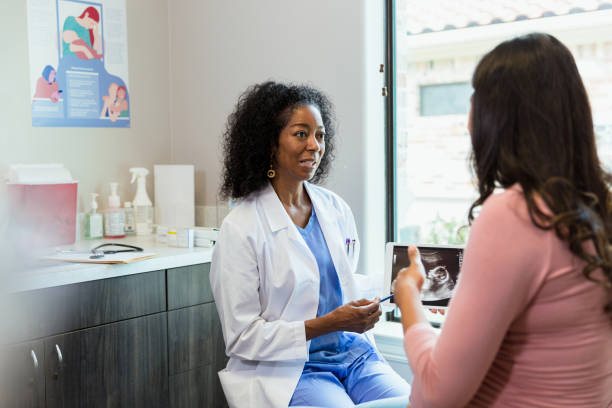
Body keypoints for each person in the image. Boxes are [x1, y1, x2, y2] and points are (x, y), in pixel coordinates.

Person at [392, 33, 612, 407]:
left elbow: (436, 394)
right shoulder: (596, 209)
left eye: (474, 104)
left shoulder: (514, 214)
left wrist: (409, 296)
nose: (467, 123)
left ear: (497, 119)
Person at [210, 81, 411, 408]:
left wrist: (401, 285)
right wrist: (329, 323)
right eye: (301, 133)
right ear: (270, 143)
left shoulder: (334, 208)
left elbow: (336, 286)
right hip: (292, 369)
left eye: (320, 135)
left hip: (353, 355)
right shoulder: (242, 227)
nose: (315, 145)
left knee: (417, 401)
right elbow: (242, 337)